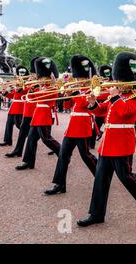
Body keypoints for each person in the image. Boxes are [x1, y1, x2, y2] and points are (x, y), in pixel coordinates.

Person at [77, 52, 136, 227]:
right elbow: (102, 110)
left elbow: (125, 112)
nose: (116, 83)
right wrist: (92, 103)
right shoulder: (117, 97)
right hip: (107, 144)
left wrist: (115, 96)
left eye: (119, 81)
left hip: (122, 143)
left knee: (125, 176)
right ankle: (96, 213)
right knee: (100, 179)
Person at [44, 56, 99, 195]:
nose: (79, 80)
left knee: (86, 155)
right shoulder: (78, 89)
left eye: (81, 78)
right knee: (63, 155)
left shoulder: (93, 89)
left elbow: (84, 104)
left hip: (83, 127)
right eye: (78, 78)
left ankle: (101, 176)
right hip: (72, 127)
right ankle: (59, 184)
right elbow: (68, 105)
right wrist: (67, 94)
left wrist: (75, 92)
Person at [15, 58, 62, 170]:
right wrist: (31, 90)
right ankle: (28, 161)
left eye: (42, 78)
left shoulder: (52, 88)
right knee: (31, 139)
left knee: (46, 139)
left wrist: (53, 85)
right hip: (37, 115)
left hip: (44, 115)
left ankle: (63, 153)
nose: (40, 80)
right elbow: (31, 99)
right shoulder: (39, 87)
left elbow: (52, 98)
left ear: (49, 78)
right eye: (40, 78)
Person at [5, 59, 39, 158]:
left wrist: (31, 87)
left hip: (35, 111)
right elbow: (21, 93)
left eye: (34, 74)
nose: (32, 75)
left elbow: (32, 94)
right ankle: (18, 151)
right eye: (32, 73)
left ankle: (58, 150)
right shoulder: (30, 82)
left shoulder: (39, 84)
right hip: (27, 111)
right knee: (23, 133)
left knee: (45, 138)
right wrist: (20, 87)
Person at [0, 66, 29, 147]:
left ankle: (31, 134)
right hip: (13, 108)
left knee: (19, 124)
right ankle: (7, 140)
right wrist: (5, 92)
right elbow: (13, 96)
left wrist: (19, 87)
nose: (20, 75)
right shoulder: (18, 83)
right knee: (8, 125)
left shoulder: (27, 84)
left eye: (22, 73)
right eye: (19, 73)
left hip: (19, 107)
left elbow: (25, 93)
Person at [88, 65, 112, 149]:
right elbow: (98, 95)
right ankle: (91, 145)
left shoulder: (112, 84)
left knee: (111, 129)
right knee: (95, 128)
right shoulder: (101, 84)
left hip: (108, 108)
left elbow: (106, 95)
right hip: (101, 109)